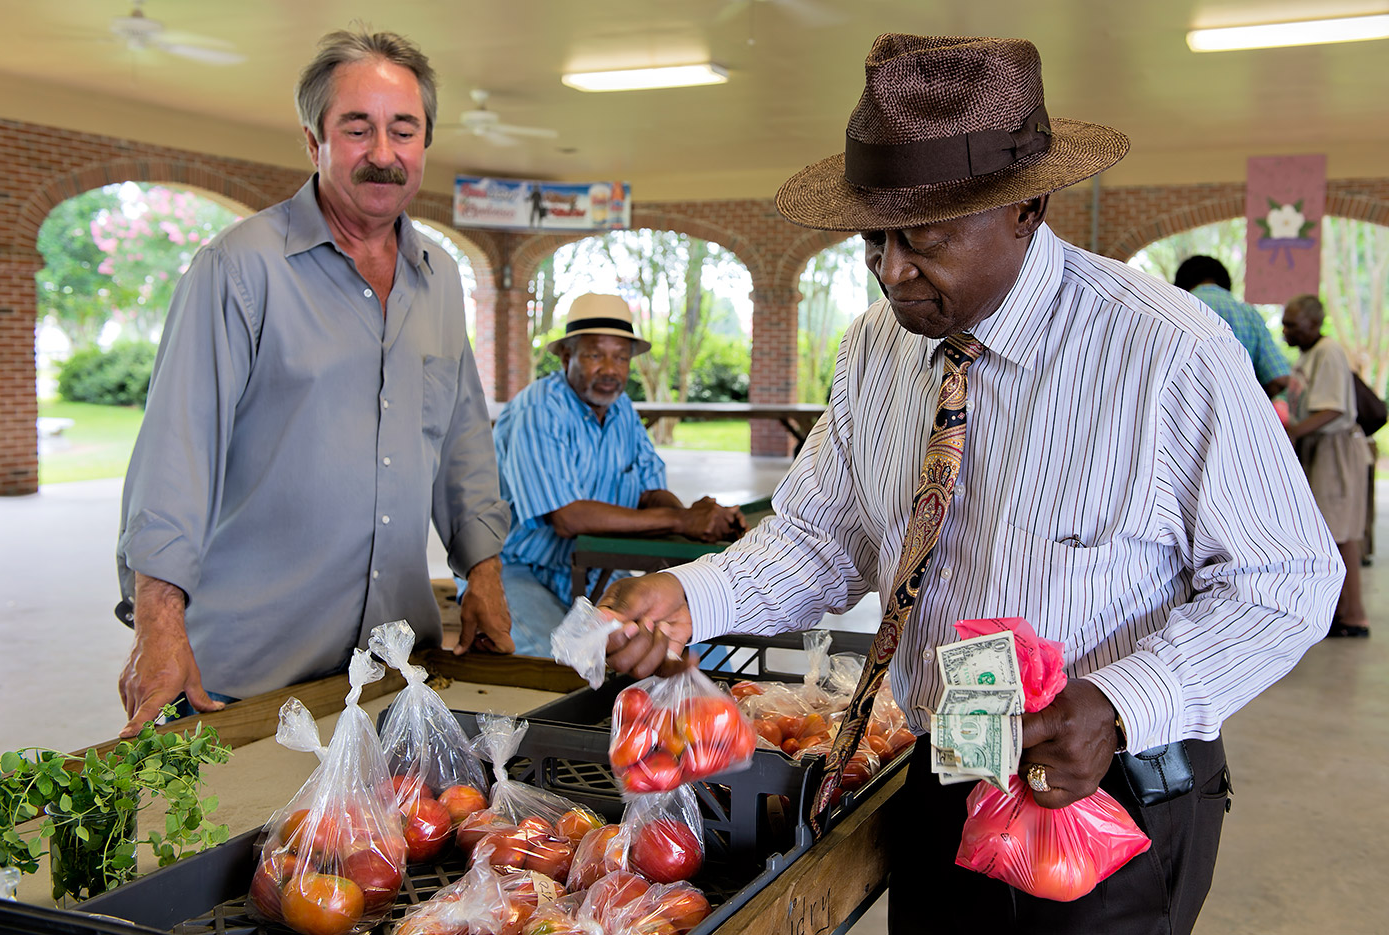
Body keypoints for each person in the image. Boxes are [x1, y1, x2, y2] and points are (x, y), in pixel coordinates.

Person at [598, 34, 1341, 935]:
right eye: (873, 238)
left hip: (1110, 801)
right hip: (945, 771)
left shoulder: (1168, 353)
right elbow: (823, 537)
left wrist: (1119, 701)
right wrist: (689, 594)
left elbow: (1286, 579)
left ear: (1027, 206)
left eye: (923, 239)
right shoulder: (877, 348)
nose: (890, 269)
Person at [114, 29, 514, 737]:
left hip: (396, 668)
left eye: (403, 130)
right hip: (247, 678)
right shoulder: (239, 270)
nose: (383, 155)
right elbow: (177, 455)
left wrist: (483, 573)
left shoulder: (441, 278)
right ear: (314, 141)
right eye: (357, 129)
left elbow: (461, 439)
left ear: (426, 141)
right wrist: (156, 621)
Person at [493, 293, 745, 656]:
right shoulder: (537, 409)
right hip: (524, 571)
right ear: (567, 356)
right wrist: (680, 520)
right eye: (596, 355)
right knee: (561, 666)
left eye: (621, 357)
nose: (611, 369)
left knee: (687, 645)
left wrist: (695, 522)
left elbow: (651, 489)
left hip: (597, 572)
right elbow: (568, 517)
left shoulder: (621, 409)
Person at [1283, 294, 1371, 638]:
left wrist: (1292, 433)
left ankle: (1354, 616)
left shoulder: (1329, 352)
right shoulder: (1309, 355)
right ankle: (1338, 611)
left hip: (1335, 448)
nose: (1286, 330)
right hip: (1317, 446)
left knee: (1338, 532)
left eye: (1293, 324)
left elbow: (1332, 409)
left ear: (1314, 324)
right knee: (1328, 530)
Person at [1174, 255, 1291, 397]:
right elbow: (1278, 380)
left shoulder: (1175, 309)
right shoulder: (1249, 314)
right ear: (1224, 282)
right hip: (1240, 412)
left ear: (1181, 283)